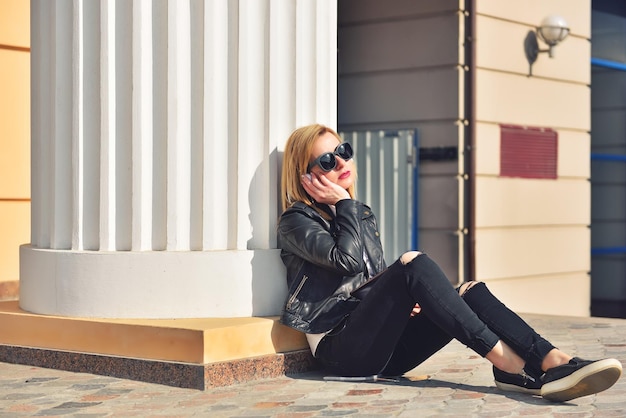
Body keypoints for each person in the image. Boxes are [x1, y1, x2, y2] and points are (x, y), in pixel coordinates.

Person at [276, 123, 622, 402]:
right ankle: (510, 364)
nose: (341, 163)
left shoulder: (359, 215)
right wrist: (344, 206)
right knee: (413, 261)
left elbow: (369, 281)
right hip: (343, 353)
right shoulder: (297, 220)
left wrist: (399, 304)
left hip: (384, 349)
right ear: (305, 176)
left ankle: (552, 360)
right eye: (326, 161)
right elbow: (347, 261)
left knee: (469, 291)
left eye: (343, 151)